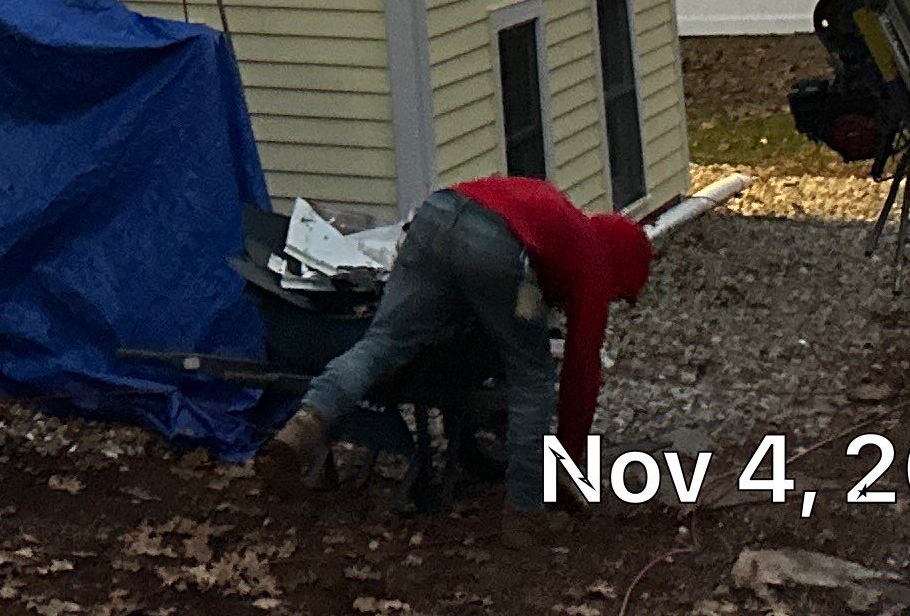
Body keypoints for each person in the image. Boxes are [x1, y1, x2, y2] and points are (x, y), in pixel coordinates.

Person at [262, 178, 655, 513]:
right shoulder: (594, 260)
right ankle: (525, 512)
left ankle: (309, 421)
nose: (610, 299)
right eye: (618, 294)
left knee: (383, 341)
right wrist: (569, 460)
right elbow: (581, 371)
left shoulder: (562, 222)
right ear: (618, 265)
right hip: (493, 239)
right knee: (532, 378)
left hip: (438, 213)